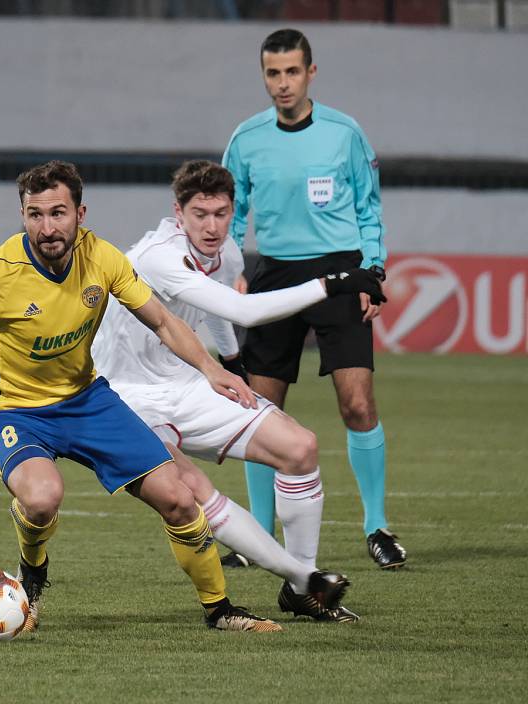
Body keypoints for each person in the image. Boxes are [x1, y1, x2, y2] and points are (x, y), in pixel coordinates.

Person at [0, 160, 309, 634]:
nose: (47, 226)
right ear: (23, 217)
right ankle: (32, 569)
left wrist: (209, 369)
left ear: (80, 214)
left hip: (86, 400)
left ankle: (219, 609)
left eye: (58, 213)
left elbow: (160, 320)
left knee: (180, 499)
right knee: (42, 498)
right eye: (36, 214)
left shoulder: (103, 257)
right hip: (13, 409)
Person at [92, 160, 386, 622]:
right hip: (124, 396)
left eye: (222, 213)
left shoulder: (226, 252)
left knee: (300, 447)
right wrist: (333, 283)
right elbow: (241, 309)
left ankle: (301, 588)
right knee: (189, 488)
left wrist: (232, 364)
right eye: (200, 214)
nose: (212, 226)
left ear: (233, 211)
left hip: (186, 382)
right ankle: (304, 576)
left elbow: (214, 314)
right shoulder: (158, 256)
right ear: (178, 212)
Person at [221, 28, 407, 570]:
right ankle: (257, 534)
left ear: (311, 73)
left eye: (292, 72)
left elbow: (370, 209)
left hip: (341, 272)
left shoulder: (344, 134)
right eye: (272, 73)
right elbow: (231, 214)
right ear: (264, 76)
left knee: (357, 403)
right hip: (275, 275)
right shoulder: (246, 138)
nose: (282, 83)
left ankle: (376, 526)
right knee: (259, 412)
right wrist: (231, 270)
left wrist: (373, 272)